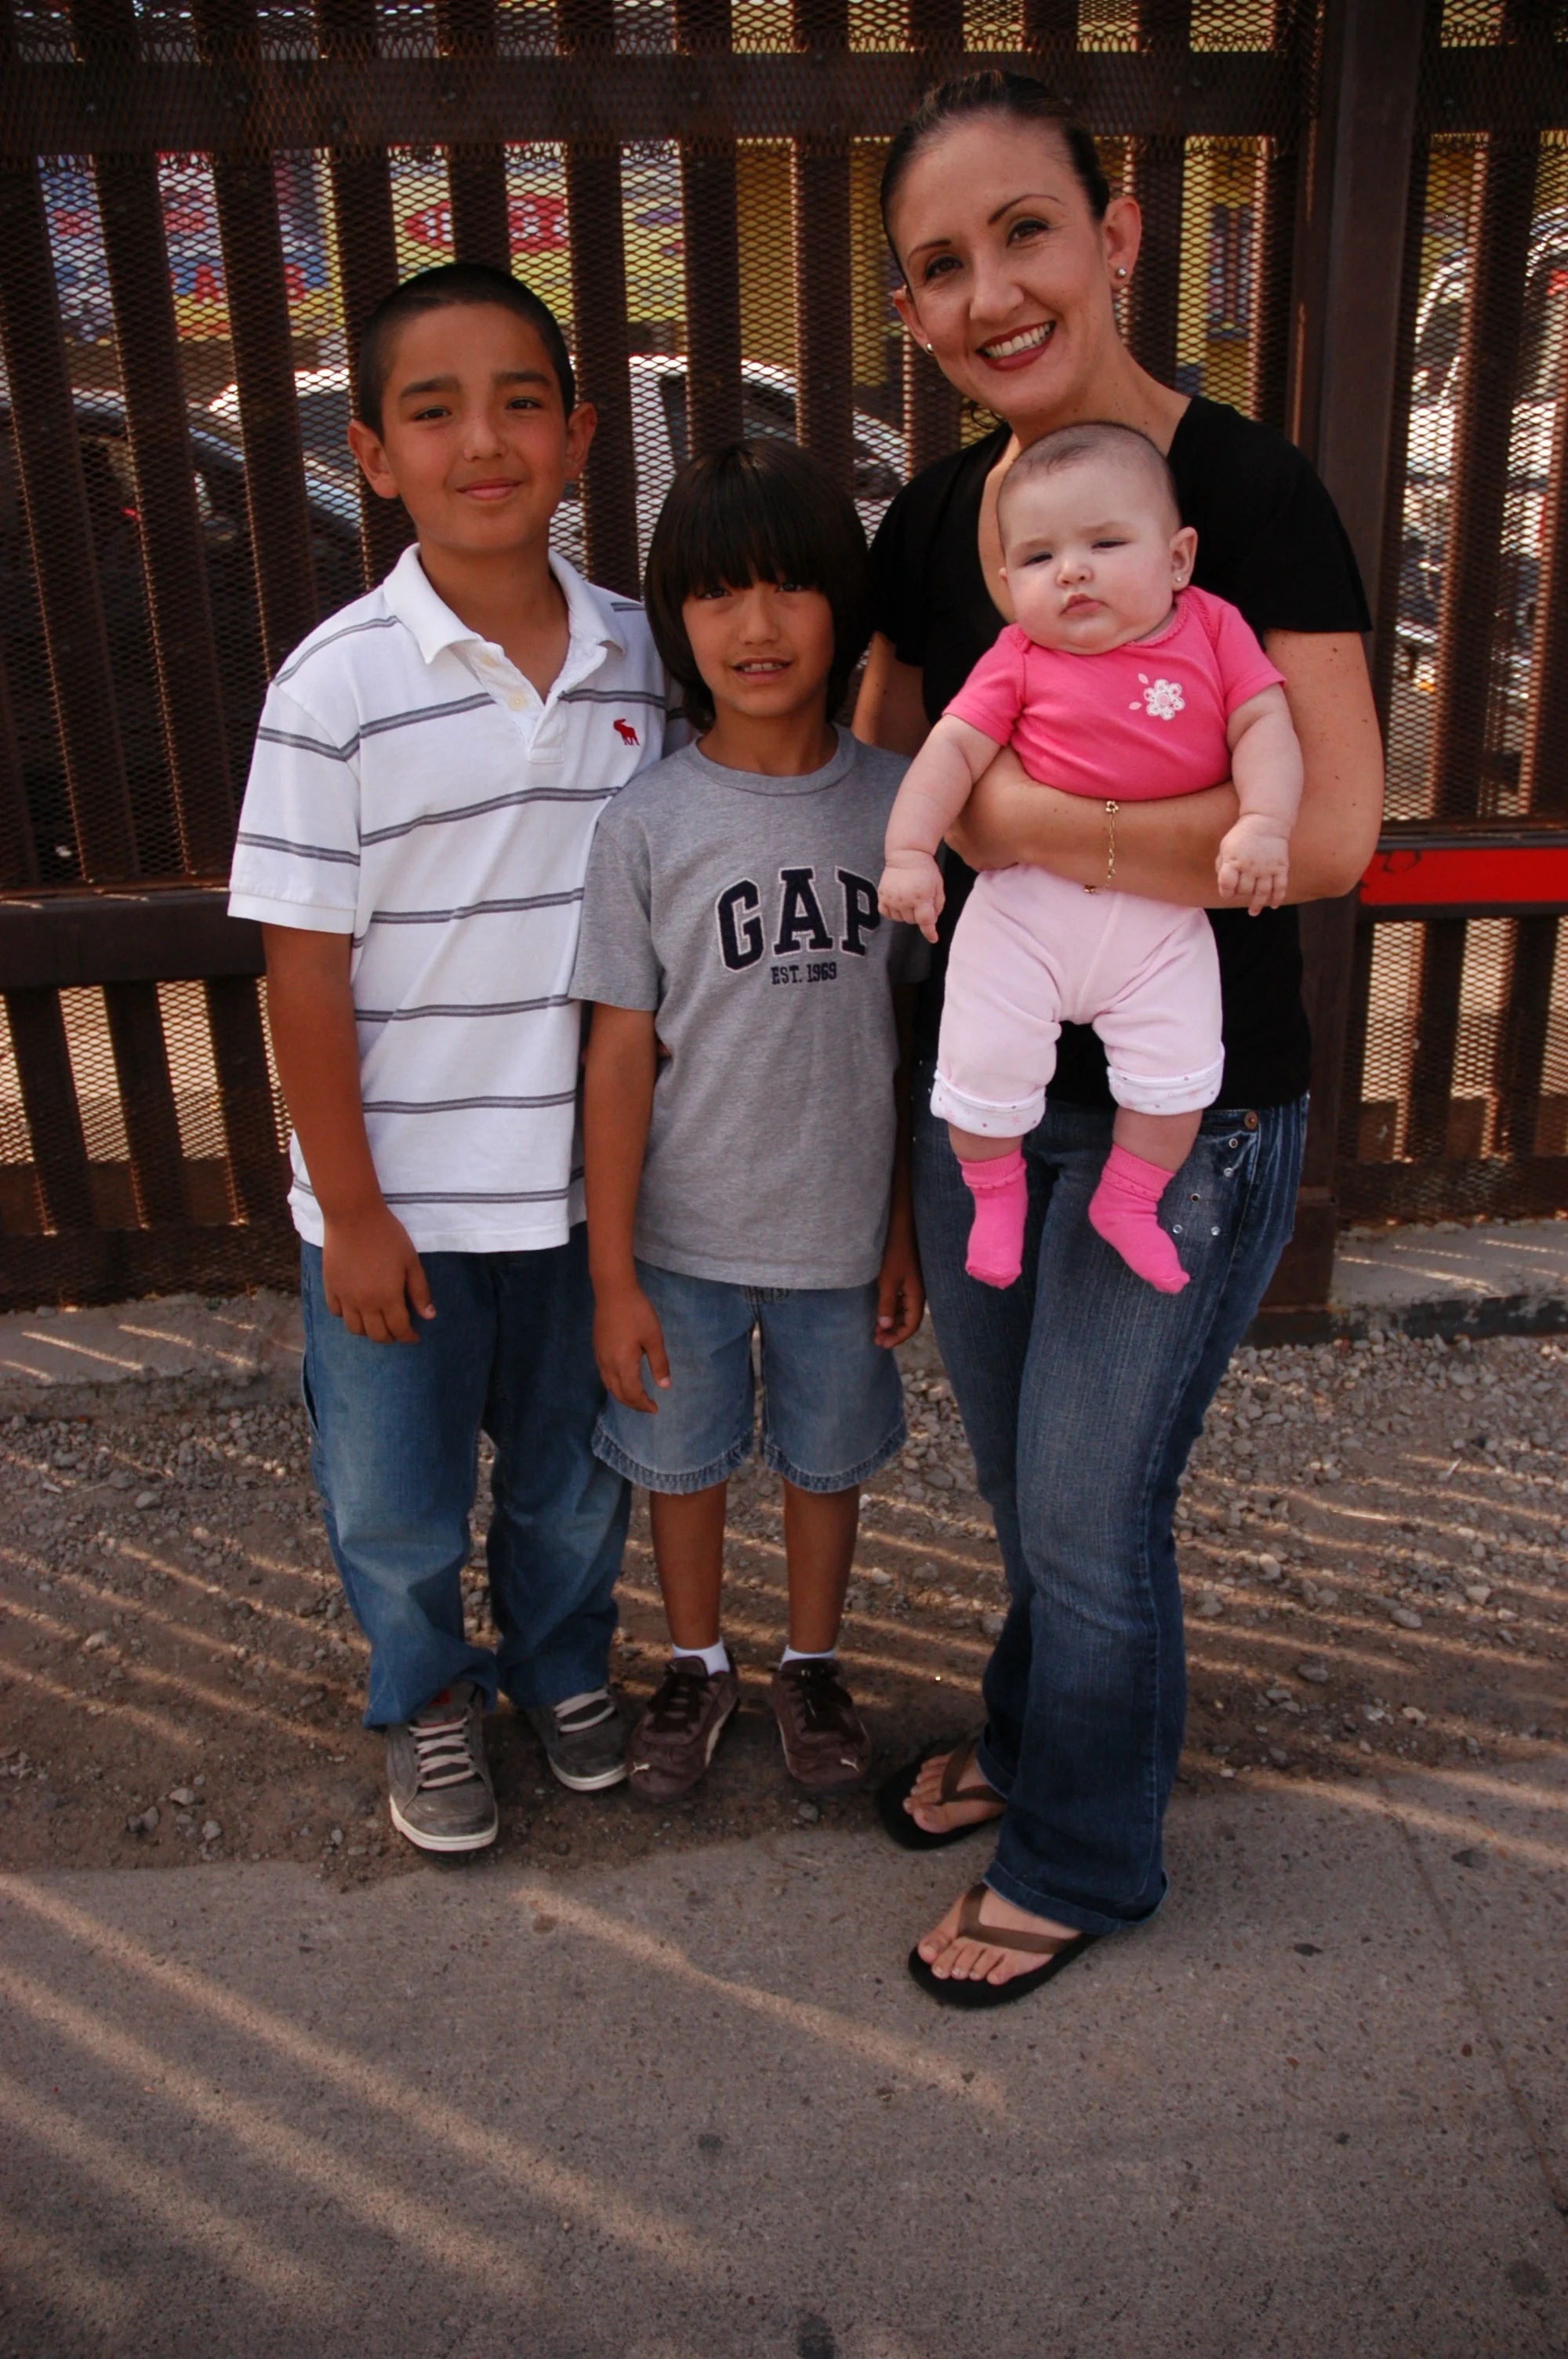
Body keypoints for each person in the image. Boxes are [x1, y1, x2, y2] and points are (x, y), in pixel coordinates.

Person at [855, 72, 1383, 2005]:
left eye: (1023, 233)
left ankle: (1079, 1852)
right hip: (990, 1098)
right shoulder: (936, 520)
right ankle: (1029, 1737)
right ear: (908, 313)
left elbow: (1328, 830)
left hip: (1188, 1108)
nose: (988, 292)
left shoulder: (1247, 498)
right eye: (939, 265)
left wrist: (1021, 827)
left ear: (1116, 235)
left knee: (1089, 1502)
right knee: (1025, 1488)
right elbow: (883, 768)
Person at [228, 263, 674, 1855]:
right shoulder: (333, 687)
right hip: (398, 1205)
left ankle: (561, 1663)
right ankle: (424, 1687)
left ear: (578, 437)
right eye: (434, 411)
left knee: (576, 1474)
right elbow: (302, 969)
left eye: (519, 403)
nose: (482, 441)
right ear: (372, 452)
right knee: (395, 1495)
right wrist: (350, 1208)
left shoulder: (648, 662)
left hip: (586, 1198)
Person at [573, 439, 925, 1804]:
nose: (758, 625)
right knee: (684, 1460)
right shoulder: (648, 822)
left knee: (826, 1459)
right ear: (678, 619)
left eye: (790, 585)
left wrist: (902, 1225)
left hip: (841, 1230)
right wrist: (612, 1272)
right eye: (719, 593)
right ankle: (698, 1659)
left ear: (843, 604)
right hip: (682, 1233)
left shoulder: (898, 807)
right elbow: (618, 1053)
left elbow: (917, 1042)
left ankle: (811, 1662)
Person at [878, 420, 1302, 1296]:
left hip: (1161, 911)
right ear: (1007, 587)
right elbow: (949, 750)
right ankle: (993, 1194)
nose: (1071, 570)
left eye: (1105, 544)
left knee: (1177, 1073)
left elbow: (1264, 722)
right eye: (1038, 557)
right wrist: (909, 851)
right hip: (1025, 907)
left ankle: (1129, 1199)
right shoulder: (1016, 657)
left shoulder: (1213, 629)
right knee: (982, 1056)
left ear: (1178, 559)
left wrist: (1262, 820)